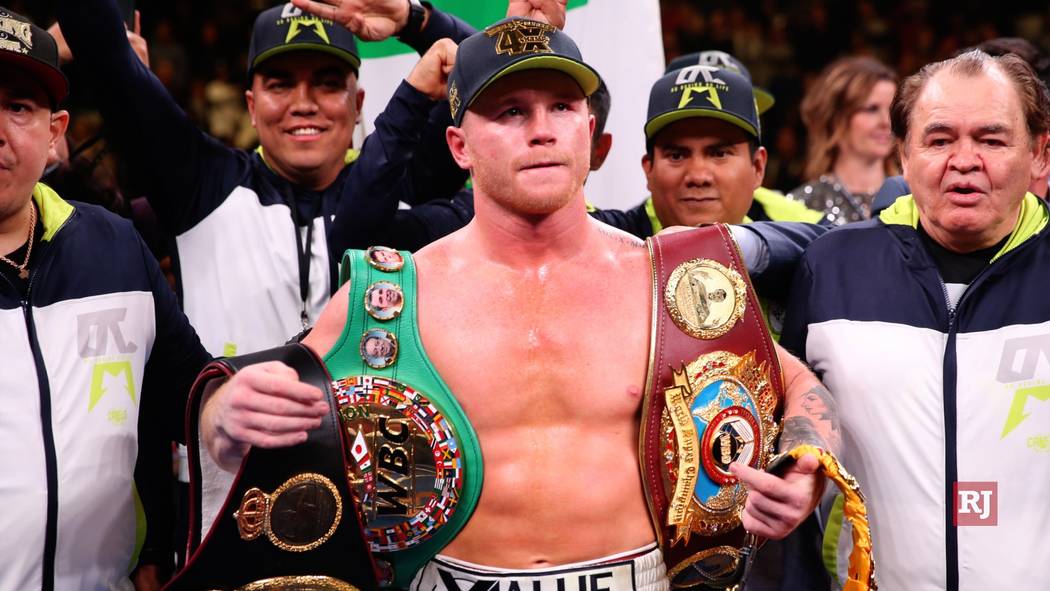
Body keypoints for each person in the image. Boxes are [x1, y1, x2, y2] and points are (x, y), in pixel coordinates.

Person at [198, 18, 839, 588]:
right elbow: (250, 430)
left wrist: (804, 461)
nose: (540, 131)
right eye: (508, 112)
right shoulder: (395, 295)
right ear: (459, 146)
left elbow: (792, 380)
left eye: (560, 106)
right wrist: (225, 416)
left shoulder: (663, 277)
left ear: (588, 131)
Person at [56, 0, 475, 357]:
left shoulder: (400, 180)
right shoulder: (199, 181)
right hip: (229, 449)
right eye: (281, 84)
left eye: (328, 84)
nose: (304, 103)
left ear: (359, 103)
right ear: (252, 107)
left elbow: (493, 75)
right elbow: (101, 46)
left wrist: (415, 20)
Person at [781, 50, 1050, 590]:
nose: (965, 160)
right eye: (940, 139)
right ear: (903, 154)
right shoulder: (831, 269)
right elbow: (790, 442)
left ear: (1040, 155)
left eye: (991, 140)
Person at [0, 8, 211, 589]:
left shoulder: (115, 246)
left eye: (18, 106)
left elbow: (186, 399)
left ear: (54, 132)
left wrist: (237, 400)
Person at [788, 56, 898, 225]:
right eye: (871, 109)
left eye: (892, 110)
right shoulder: (801, 205)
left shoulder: (917, 197)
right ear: (835, 118)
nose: (886, 122)